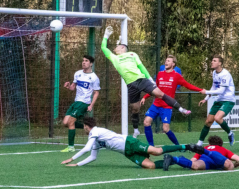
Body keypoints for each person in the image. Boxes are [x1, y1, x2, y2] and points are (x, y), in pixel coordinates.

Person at [101, 26, 191, 138]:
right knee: (135, 108)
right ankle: (135, 130)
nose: (114, 48)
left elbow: (141, 67)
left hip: (142, 80)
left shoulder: (132, 54)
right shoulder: (114, 58)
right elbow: (103, 47)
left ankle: (181, 109)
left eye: (117, 46)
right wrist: (106, 36)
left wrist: (149, 79)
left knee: (160, 94)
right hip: (131, 85)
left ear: (123, 48)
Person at [61, 117, 203, 168]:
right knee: (151, 166)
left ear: (87, 126)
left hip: (129, 143)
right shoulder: (95, 139)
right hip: (126, 153)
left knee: (156, 151)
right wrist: (77, 164)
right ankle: (173, 160)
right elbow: (92, 156)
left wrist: (71, 158)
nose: (84, 130)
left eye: (84, 127)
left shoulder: (95, 131)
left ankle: (187, 146)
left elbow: (86, 149)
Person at [140, 55, 205, 144]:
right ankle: (151, 146)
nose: (166, 62)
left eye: (169, 61)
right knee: (146, 122)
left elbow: (188, 85)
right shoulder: (160, 74)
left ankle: (178, 146)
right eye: (166, 60)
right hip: (156, 104)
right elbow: (155, 89)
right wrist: (145, 97)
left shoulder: (176, 76)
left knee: (165, 129)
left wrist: (200, 90)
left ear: (173, 64)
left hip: (167, 106)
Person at [61, 55, 100, 152]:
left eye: (86, 61)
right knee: (65, 123)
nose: (83, 62)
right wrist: (68, 86)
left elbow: (96, 93)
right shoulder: (77, 73)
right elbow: (72, 88)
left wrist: (91, 105)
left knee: (70, 122)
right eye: (83, 60)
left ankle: (71, 147)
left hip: (84, 103)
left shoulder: (94, 78)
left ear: (91, 64)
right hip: (76, 102)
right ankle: (87, 127)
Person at [198, 55, 235, 146]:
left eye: (214, 61)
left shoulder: (225, 74)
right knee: (208, 121)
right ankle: (199, 144)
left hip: (228, 100)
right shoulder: (214, 72)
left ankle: (230, 133)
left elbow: (221, 91)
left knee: (217, 118)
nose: (212, 62)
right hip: (219, 100)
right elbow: (214, 87)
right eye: (212, 60)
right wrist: (205, 99)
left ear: (220, 63)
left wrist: (205, 91)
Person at [163, 135, 239, 171]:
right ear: (220, 144)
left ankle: (173, 158)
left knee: (195, 166)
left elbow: (193, 160)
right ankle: (208, 153)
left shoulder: (205, 147)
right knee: (230, 166)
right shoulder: (223, 149)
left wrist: (184, 162)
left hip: (205, 160)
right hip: (217, 159)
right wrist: (235, 164)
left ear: (210, 143)